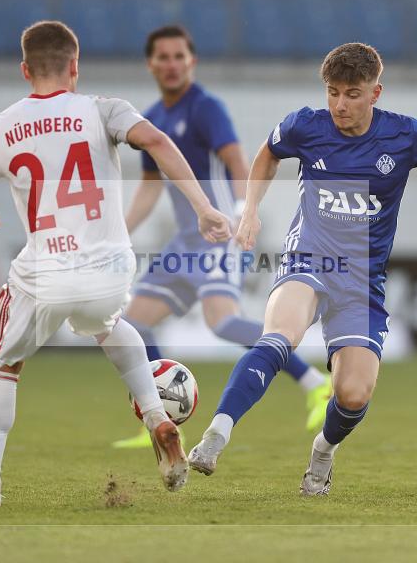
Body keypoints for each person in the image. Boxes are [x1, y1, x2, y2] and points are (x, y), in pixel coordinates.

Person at [0, 20, 230, 507]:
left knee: (4, 365)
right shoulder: (103, 109)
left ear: (25, 69)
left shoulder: (1, 126)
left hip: (44, 272)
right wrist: (203, 207)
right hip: (109, 267)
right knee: (108, 323)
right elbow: (156, 142)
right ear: (75, 67)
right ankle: (157, 416)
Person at [188, 43, 417, 495]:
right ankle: (215, 436)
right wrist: (249, 211)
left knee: (354, 394)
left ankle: (323, 452)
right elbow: (267, 153)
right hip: (310, 259)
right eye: (333, 92)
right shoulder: (307, 125)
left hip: (362, 282)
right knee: (279, 336)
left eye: (352, 94)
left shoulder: (405, 136)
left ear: (375, 93)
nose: (340, 104)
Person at [111, 25, 331, 450]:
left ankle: (315, 382)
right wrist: (116, 233)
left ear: (191, 62)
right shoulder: (152, 118)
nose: (172, 64)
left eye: (180, 56)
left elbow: (235, 161)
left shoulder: (206, 108)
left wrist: (236, 212)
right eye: (164, 57)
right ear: (150, 64)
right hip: (184, 244)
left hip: (217, 237)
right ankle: (157, 416)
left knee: (223, 322)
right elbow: (151, 187)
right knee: (134, 323)